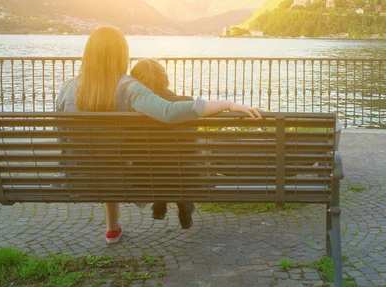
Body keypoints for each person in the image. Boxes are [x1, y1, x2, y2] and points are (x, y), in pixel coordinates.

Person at [56, 26, 262, 244]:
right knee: (112, 164)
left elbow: (62, 136)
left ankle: (112, 230)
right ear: (121, 54)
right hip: (120, 180)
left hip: (77, 178)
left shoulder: (66, 88)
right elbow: (169, 112)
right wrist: (227, 104)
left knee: (104, 160)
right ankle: (114, 227)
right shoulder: (128, 87)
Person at [129, 58, 196, 227]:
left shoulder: (136, 108)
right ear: (165, 78)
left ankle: (160, 200)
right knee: (179, 158)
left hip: (147, 175)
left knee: (156, 159)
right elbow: (192, 143)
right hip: (184, 172)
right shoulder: (186, 101)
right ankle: (183, 202)